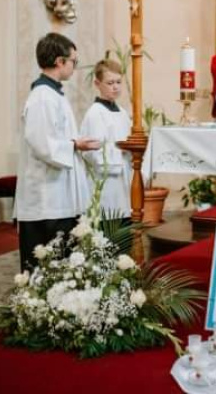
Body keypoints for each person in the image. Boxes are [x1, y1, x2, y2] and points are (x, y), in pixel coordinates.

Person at [14, 32, 101, 271]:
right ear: (59, 61)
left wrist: (73, 142)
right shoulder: (42, 97)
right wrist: (75, 144)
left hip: (57, 192)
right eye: (73, 60)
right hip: (46, 197)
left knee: (62, 260)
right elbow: (43, 144)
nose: (75, 66)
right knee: (46, 262)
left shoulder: (53, 94)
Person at [80, 58, 132, 220]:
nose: (115, 87)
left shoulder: (122, 112)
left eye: (118, 82)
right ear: (97, 83)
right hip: (105, 184)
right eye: (110, 83)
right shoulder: (95, 113)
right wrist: (121, 151)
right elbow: (93, 152)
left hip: (123, 181)